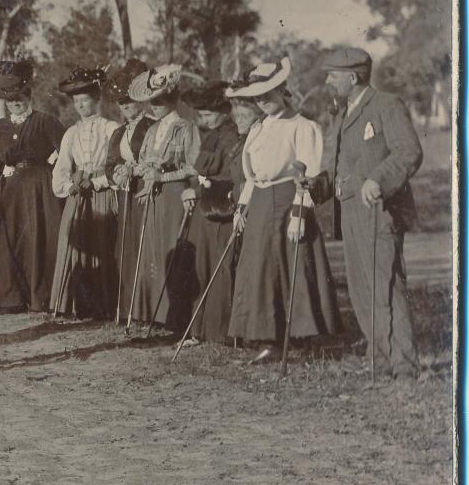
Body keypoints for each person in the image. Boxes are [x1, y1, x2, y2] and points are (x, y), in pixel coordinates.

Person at [317, 45, 424, 378]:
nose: (327, 82)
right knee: (363, 289)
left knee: (386, 284)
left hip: (379, 211)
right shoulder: (341, 114)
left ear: (352, 77)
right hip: (350, 213)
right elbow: (335, 168)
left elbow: (409, 152)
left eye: (332, 76)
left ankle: (404, 367)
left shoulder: (385, 105)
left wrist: (378, 179)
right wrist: (314, 184)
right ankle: (380, 360)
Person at [227, 58, 342, 358]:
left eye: (268, 94)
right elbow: (252, 174)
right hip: (261, 203)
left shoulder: (303, 127)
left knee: (292, 267)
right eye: (258, 96)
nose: (263, 101)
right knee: (260, 269)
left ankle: (302, 338)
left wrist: (299, 214)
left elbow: (310, 176)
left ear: (282, 90)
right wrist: (242, 207)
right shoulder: (258, 128)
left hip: (288, 202)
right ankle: (267, 338)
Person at [0, 61, 65, 314]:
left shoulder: (45, 121)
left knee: (36, 239)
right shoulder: (2, 126)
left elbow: (66, 150)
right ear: (5, 102)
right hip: (9, 190)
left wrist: (53, 165)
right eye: (11, 100)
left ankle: (41, 297)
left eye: (20, 98)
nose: (16, 103)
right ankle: (11, 298)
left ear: (29, 96)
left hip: (37, 189)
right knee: (9, 241)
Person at [123, 65, 201, 333]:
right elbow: (145, 161)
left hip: (174, 195)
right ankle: (153, 312)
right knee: (153, 251)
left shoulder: (186, 128)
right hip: (151, 194)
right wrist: (139, 172)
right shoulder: (152, 130)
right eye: (151, 101)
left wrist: (162, 177)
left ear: (172, 99)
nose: (154, 106)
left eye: (160, 101)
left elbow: (194, 166)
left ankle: (175, 316)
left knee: (174, 251)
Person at [49, 68, 121, 320]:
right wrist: (69, 186)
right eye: (76, 102)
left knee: (103, 242)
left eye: (85, 101)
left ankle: (104, 306)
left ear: (97, 100)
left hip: (100, 194)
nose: (81, 106)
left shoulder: (111, 128)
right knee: (77, 239)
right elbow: (62, 167)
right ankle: (79, 304)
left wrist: (99, 182)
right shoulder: (71, 132)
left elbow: (117, 164)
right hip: (79, 195)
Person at [181, 81, 241, 344]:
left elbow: (229, 177)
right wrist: (194, 188)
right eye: (201, 114)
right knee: (200, 266)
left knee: (220, 267)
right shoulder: (210, 135)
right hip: (203, 212)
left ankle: (220, 332)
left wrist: (199, 191)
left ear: (223, 112)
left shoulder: (232, 137)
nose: (203, 119)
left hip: (220, 211)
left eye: (207, 114)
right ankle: (198, 330)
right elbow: (200, 172)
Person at [104, 59, 155, 324]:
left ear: (141, 101)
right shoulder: (118, 132)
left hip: (144, 193)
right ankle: (128, 308)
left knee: (145, 246)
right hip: (125, 194)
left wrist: (135, 170)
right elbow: (109, 163)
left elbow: (157, 158)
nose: (125, 108)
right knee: (127, 247)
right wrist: (117, 172)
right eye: (122, 105)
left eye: (130, 103)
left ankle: (147, 309)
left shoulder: (152, 126)